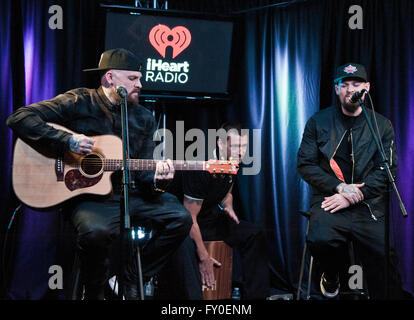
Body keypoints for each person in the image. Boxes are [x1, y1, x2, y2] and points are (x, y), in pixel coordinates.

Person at [6, 48, 192, 300]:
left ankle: (132, 278)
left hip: (130, 194)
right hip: (88, 197)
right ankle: (94, 289)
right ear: (109, 78)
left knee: (180, 218)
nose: (140, 84)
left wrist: (159, 181)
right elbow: (19, 117)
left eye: (139, 78)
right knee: (96, 232)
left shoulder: (144, 117)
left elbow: (146, 178)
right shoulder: (80, 101)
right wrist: (66, 140)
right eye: (133, 79)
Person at [297, 63, 403, 299]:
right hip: (330, 200)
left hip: (368, 206)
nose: (349, 89)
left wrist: (355, 196)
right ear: (336, 89)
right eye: (344, 85)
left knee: (386, 258)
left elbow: (387, 171)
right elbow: (305, 165)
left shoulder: (382, 125)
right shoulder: (318, 121)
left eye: (356, 84)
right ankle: (332, 275)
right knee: (320, 238)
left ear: (366, 88)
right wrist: (340, 188)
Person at [156, 122, 270, 300]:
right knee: (185, 246)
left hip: (210, 218)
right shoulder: (201, 166)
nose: (241, 152)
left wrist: (228, 205)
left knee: (255, 233)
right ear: (221, 143)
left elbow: (227, 193)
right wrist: (204, 258)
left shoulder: (232, 162)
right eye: (236, 146)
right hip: (185, 225)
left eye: (244, 147)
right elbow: (189, 217)